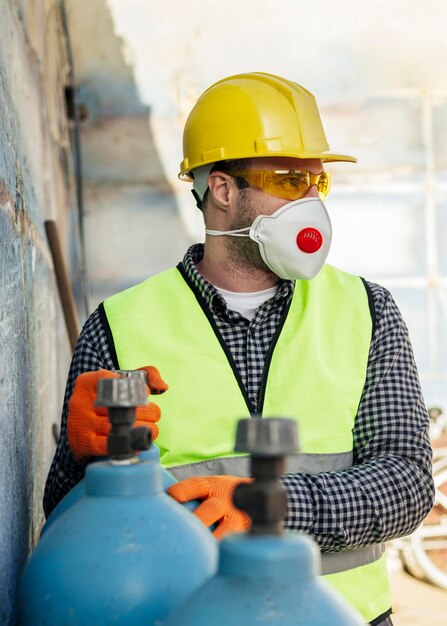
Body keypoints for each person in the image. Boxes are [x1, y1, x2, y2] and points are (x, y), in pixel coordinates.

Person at [44, 72, 434, 626]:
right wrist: (82, 458)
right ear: (222, 190)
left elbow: (407, 482)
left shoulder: (366, 310)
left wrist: (268, 505)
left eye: (317, 184)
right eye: (288, 181)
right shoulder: (118, 326)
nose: (312, 205)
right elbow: (65, 522)